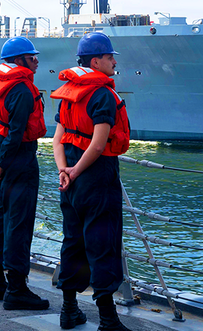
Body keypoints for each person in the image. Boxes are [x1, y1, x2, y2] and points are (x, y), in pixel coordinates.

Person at [50, 32, 132, 331]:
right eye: (110, 57)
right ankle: (108, 320)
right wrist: (76, 171)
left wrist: (65, 170)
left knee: (73, 242)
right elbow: (98, 145)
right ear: (96, 61)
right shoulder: (103, 95)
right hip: (96, 178)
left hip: (70, 181)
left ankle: (69, 310)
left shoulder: (68, 92)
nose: (114, 62)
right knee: (102, 244)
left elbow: (57, 139)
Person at [0, 37, 48, 310]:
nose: (36, 61)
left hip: (0, 157)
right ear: (19, 60)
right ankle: (17, 289)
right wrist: (2, 165)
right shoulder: (21, 89)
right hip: (19, 161)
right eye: (32, 57)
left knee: (0, 219)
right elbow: (17, 133)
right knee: (19, 223)